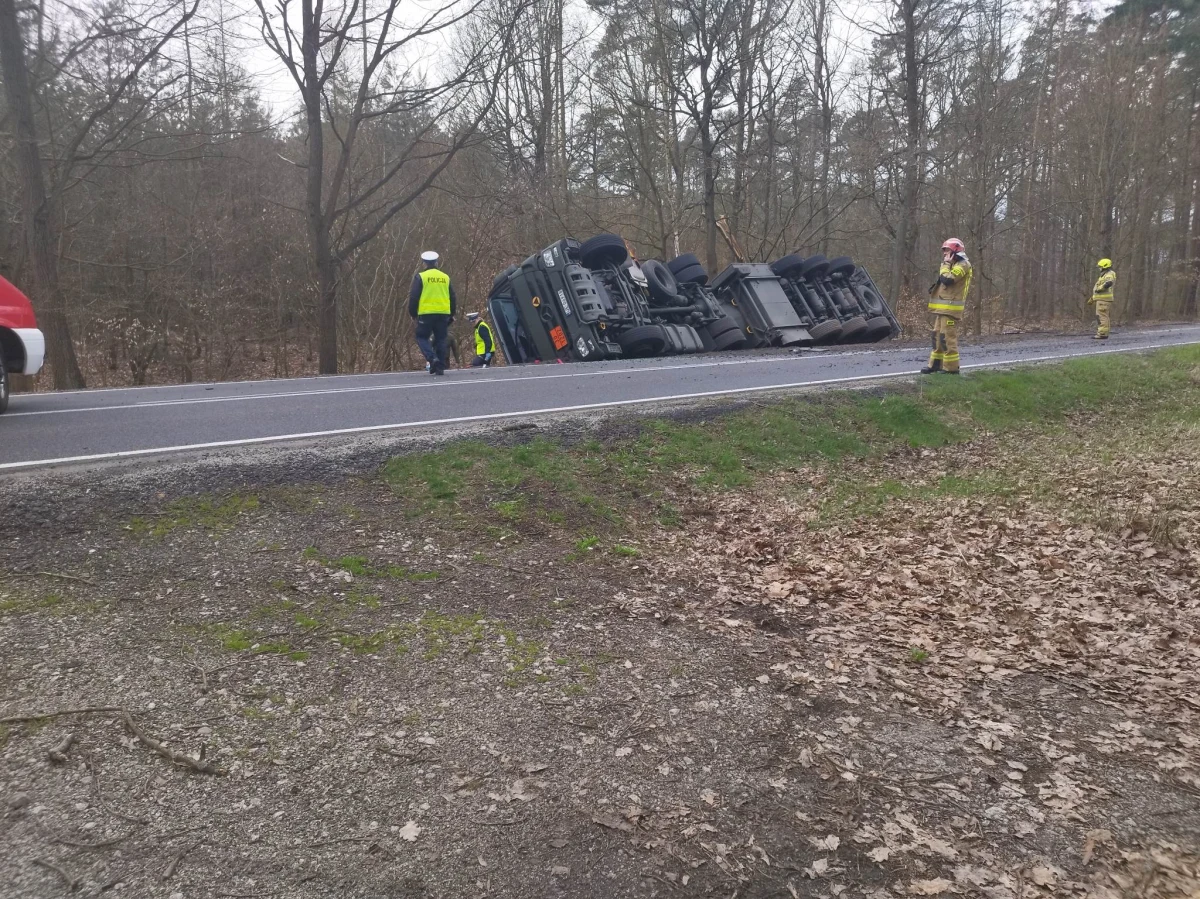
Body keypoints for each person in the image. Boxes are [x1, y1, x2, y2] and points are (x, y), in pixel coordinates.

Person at [921, 237, 973, 375]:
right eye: (944, 250)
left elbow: (948, 279)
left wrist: (945, 265)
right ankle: (935, 365)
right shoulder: (952, 264)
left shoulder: (963, 264)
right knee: (937, 336)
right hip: (943, 308)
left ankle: (951, 368)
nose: (945, 253)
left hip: (951, 309)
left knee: (947, 337)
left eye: (947, 250)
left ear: (956, 251)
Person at [409, 250, 456, 375]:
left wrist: (413, 313)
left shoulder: (421, 277)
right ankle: (440, 367)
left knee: (421, 337)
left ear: (424, 263)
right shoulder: (445, 277)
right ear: (436, 262)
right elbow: (452, 297)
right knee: (441, 339)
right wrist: (452, 313)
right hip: (443, 313)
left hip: (426, 313)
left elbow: (414, 296)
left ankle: (432, 359)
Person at [1090, 258, 1116, 340]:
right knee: (1103, 316)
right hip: (1102, 299)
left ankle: (1102, 334)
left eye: (1100, 267)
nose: (1099, 268)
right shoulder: (1105, 274)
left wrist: (1099, 289)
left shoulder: (1109, 274)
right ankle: (1103, 333)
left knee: (1101, 317)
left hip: (1103, 300)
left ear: (1105, 266)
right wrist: (1093, 298)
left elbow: (1109, 283)